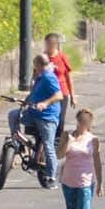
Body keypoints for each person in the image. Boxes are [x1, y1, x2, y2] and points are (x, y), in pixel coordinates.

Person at [59, 108, 104, 209]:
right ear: (77, 121)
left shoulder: (93, 139)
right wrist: (68, 142)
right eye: (81, 121)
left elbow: (97, 161)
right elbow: (59, 155)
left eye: (86, 122)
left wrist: (100, 182)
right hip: (68, 180)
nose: (83, 124)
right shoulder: (67, 135)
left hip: (86, 181)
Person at [21, 54, 65, 185]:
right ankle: (16, 141)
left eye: (35, 65)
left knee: (48, 145)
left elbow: (59, 95)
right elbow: (34, 93)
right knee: (13, 115)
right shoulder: (40, 76)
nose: (34, 68)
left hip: (47, 117)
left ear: (39, 65)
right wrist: (26, 101)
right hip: (34, 113)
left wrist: (45, 103)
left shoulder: (49, 77)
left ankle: (51, 176)